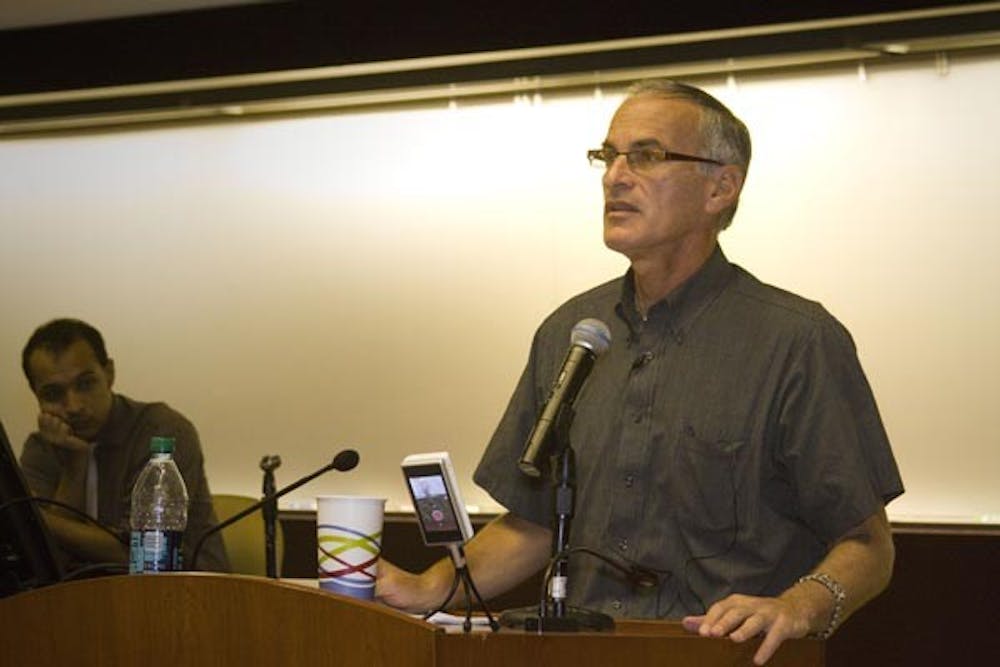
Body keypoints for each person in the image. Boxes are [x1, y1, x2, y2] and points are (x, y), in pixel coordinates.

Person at [376, 79, 903, 664]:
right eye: (608, 156)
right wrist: (427, 587)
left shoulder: (797, 341)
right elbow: (533, 523)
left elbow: (868, 544)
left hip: (721, 656)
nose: (614, 176)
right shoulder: (570, 332)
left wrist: (796, 607)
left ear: (720, 188)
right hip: (578, 654)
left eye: (646, 156)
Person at [18, 318, 230, 573]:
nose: (73, 406)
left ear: (109, 373)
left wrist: (36, 519)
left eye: (86, 384)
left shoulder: (162, 432)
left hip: (187, 595)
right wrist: (74, 467)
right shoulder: (41, 448)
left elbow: (141, 554)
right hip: (86, 600)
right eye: (53, 394)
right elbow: (48, 557)